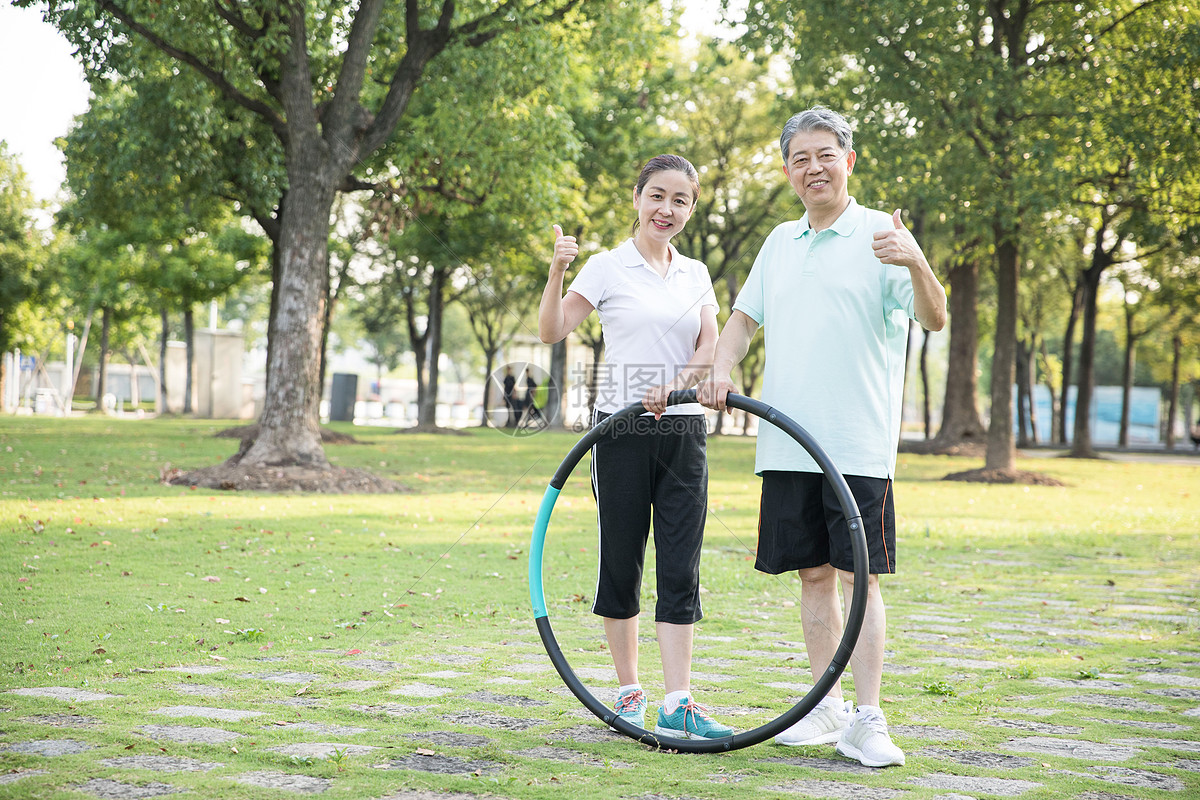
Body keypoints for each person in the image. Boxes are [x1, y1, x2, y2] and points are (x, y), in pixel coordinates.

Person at [697, 106, 947, 767]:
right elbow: (742, 320)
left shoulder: (881, 235)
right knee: (813, 576)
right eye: (800, 158)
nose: (814, 167)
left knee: (858, 577)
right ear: (788, 170)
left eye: (825, 154)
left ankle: (868, 718)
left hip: (856, 443)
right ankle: (825, 707)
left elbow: (935, 316)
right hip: (787, 442)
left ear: (849, 161)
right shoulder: (780, 241)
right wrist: (720, 368)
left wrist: (919, 262)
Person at [538, 154, 729, 739]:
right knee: (621, 561)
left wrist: (676, 389)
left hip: (683, 429)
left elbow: (709, 344)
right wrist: (555, 273)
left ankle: (679, 700)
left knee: (681, 564)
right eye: (658, 197)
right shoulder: (607, 267)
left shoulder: (695, 272)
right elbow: (552, 330)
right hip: (619, 431)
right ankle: (629, 692)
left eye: (681, 201)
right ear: (639, 198)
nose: (667, 210)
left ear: (691, 209)